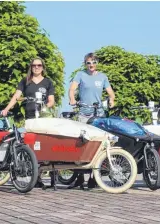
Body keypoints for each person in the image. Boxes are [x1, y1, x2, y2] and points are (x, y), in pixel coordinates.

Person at [1, 58, 56, 188]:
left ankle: (40, 176)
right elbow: (16, 96)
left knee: (42, 147)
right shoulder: (25, 81)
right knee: (31, 145)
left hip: (43, 118)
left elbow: (51, 100)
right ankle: (34, 176)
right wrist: (7, 109)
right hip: (30, 119)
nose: (36, 67)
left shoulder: (48, 82)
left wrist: (46, 106)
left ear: (43, 67)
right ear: (31, 67)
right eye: (34, 65)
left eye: (39, 65)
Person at [68, 52, 116, 188]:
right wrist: (72, 98)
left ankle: (94, 177)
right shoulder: (80, 75)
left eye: (94, 62)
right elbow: (72, 89)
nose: (91, 65)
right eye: (89, 62)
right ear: (85, 64)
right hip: (84, 112)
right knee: (82, 143)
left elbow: (111, 93)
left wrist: (111, 100)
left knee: (99, 144)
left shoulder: (102, 77)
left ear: (97, 63)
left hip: (98, 113)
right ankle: (80, 176)